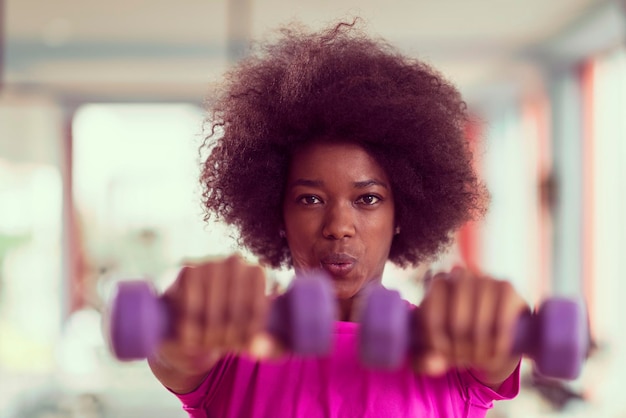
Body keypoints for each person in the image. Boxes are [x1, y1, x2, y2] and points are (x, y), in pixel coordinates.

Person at [147, 19, 529, 417]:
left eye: (367, 198)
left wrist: (500, 315)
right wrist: (180, 317)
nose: (338, 226)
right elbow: (171, 353)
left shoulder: (449, 348)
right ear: (278, 212)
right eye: (310, 199)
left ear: (402, 213)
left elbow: (503, 347)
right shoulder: (229, 346)